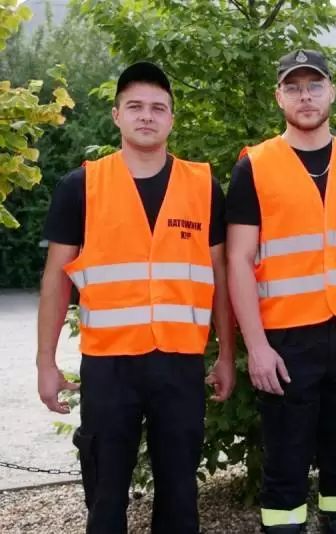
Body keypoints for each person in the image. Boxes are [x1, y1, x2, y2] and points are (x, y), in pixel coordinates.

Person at [36, 61, 236, 534]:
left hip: (180, 364)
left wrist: (227, 355)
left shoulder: (203, 187)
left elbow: (220, 277)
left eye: (158, 108)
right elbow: (55, 282)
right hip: (109, 367)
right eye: (135, 106)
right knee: (105, 499)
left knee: (180, 499)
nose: (147, 116)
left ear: (171, 119)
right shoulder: (80, 187)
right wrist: (46, 362)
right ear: (116, 115)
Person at [225, 49, 336, 534]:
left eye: (314, 85)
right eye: (294, 87)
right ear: (278, 96)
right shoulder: (255, 166)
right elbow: (238, 260)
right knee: (285, 467)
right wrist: (256, 346)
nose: (306, 96)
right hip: (286, 342)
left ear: (331, 93)